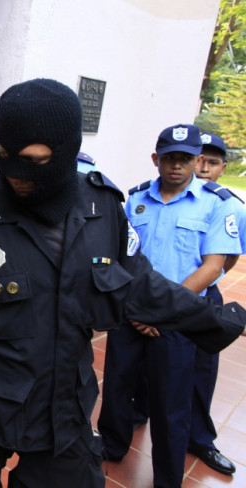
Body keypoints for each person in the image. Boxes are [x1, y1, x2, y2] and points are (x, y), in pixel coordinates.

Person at [0, 79, 246, 488]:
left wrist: (213, 322)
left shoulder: (102, 209)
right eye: (5, 156)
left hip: (62, 407)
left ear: (67, 153)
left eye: (34, 161)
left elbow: (139, 285)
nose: (16, 174)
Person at [98, 124, 242, 487]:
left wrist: (164, 311)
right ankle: (112, 446)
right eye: (168, 158)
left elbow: (213, 266)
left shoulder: (217, 202)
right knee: (117, 386)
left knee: (170, 404)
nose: (176, 165)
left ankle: (166, 477)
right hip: (132, 313)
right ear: (155, 160)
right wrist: (137, 309)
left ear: (196, 160)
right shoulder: (136, 199)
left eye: (184, 159)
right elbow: (124, 255)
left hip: (177, 318)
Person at [186, 131, 244, 475]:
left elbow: (229, 259)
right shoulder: (161, 193)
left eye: (212, 162)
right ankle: (136, 415)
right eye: (200, 160)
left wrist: (206, 283)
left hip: (203, 298)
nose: (204, 168)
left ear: (223, 168)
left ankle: (199, 438)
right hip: (160, 295)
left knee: (200, 371)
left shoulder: (231, 206)